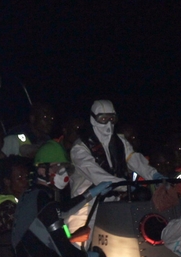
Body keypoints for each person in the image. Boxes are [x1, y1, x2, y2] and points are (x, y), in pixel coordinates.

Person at [12, 141, 119, 257]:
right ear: (43, 170)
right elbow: (65, 250)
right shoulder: (44, 201)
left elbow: (62, 210)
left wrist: (92, 192)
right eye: (58, 167)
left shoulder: (33, 196)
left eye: (64, 168)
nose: (64, 172)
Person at [66, 100, 162, 234]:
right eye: (103, 119)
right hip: (86, 205)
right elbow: (97, 175)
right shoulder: (80, 148)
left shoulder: (120, 141)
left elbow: (134, 158)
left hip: (112, 203)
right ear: (93, 119)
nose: (108, 124)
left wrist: (154, 175)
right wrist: (126, 186)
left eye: (112, 118)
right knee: (79, 246)